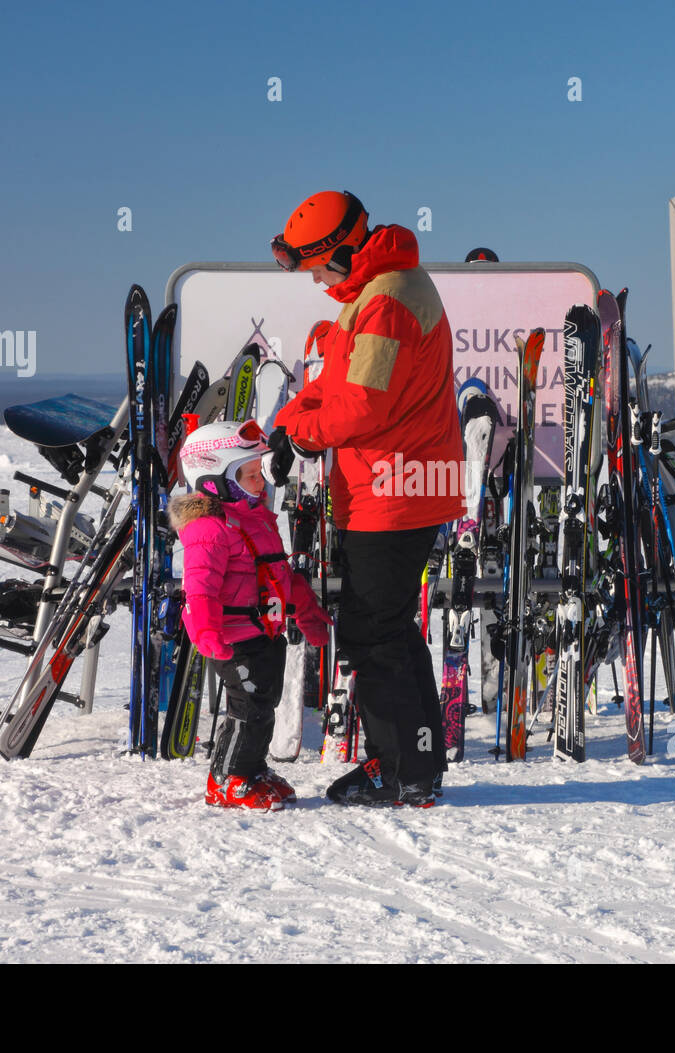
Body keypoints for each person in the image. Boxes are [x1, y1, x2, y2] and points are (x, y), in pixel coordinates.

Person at [267, 190, 464, 807]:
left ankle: (402, 770)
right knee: (383, 627)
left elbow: (362, 406)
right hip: (390, 485)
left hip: (395, 487)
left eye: (319, 267)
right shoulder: (373, 294)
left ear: (347, 250)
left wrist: (299, 433)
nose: (318, 280)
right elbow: (333, 384)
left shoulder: (387, 302)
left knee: (375, 629)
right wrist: (289, 420)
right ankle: (413, 764)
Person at [171, 418, 332, 811]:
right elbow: (200, 587)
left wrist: (307, 611)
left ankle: (252, 771)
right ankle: (227, 779)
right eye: (249, 475)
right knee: (248, 707)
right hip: (233, 637)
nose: (261, 482)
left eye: (259, 473)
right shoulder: (209, 528)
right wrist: (205, 632)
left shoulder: (257, 520)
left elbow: (279, 574)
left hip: (265, 631)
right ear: (213, 480)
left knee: (265, 702)